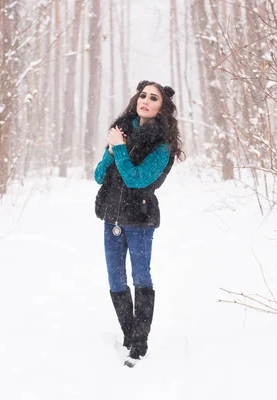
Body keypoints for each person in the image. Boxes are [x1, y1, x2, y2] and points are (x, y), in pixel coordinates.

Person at [94, 80, 184, 365]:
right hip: (112, 218)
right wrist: (111, 151)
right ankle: (128, 334)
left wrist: (119, 149)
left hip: (140, 219)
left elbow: (136, 180)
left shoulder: (162, 146)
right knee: (115, 280)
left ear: (162, 108)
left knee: (140, 278)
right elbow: (98, 176)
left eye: (153, 98)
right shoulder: (121, 132)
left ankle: (139, 344)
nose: (145, 100)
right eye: (142, 95)